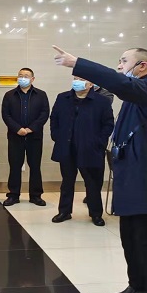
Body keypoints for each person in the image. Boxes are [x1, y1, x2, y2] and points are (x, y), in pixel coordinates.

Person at [53, 45, 147, 293]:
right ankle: (138, 288)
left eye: (124, 61)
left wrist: (78, 63)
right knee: (130, 239)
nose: (119, 66)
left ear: (142, 65)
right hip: (131, 177)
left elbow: (121, 84)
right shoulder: (135, 95)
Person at [50, 76, 114, 226]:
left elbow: (108, 124)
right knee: (67, 182)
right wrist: (57, 136)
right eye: (75, 78)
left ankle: (95, 214)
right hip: (67, 147)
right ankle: (64, 211)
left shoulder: (102, 101)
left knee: (92, 183)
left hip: (90, 149)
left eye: (81, 79)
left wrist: (98, 142)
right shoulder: (63, 98)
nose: (77, 82)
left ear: (91, 83)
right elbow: (54, 118)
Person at [1, 68, 50, 207]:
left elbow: (44, 114)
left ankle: (36, 195)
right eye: (20, 75)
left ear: (32, 79)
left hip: (34, 137)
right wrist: (17, 129)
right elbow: (6, 115)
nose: (23, 78)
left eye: (26, 76)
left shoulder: (41, 95)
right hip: (15, 136)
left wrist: (30, 129)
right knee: (14, 166)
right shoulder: (9, 95)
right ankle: (13, 195)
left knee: (35, 166)